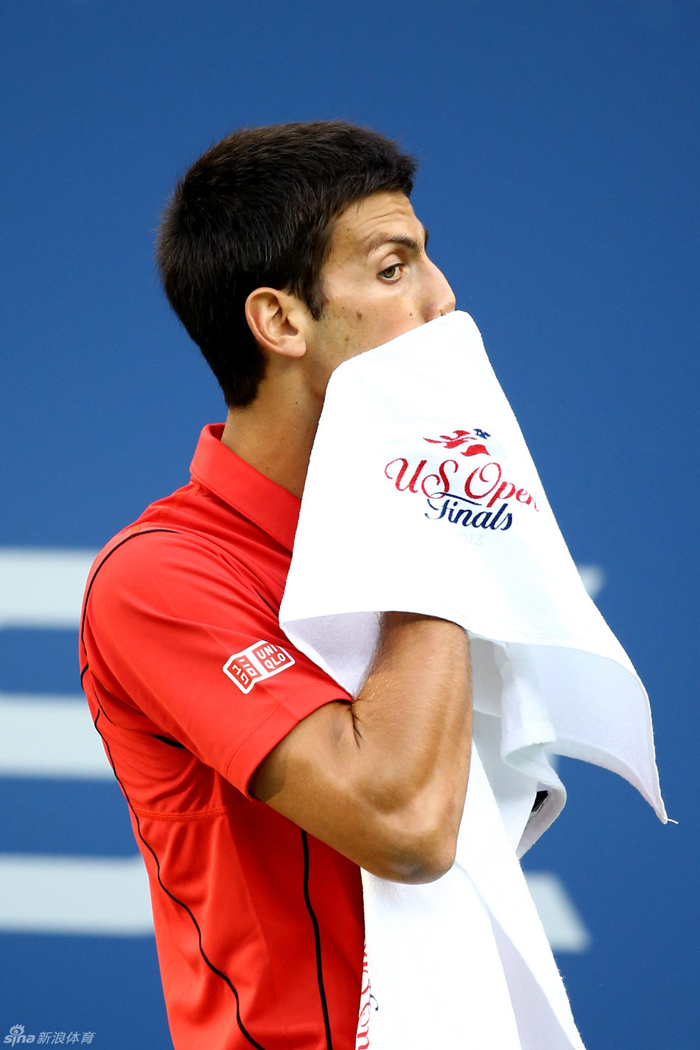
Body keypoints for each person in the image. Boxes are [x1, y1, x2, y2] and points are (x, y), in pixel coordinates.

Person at [79, 121, 471, 1050]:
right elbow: (407, 825)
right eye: (392, 267)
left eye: (426, 261)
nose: (443, 302)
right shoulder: (156, 578)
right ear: (282, 321)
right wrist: (439, 521)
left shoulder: (409, 525)